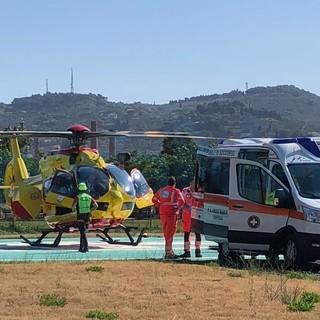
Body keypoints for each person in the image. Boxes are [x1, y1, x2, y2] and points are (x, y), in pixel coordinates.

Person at [152, 176, 185, 259]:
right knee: (170, 232)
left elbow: (154, 199)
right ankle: (168, 252)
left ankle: (169, 251)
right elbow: (182, 201)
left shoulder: (161, 190)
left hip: (163, 213)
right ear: (174, 183)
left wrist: (159, 205)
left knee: (165, 231)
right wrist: (177, 208)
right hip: (172, 213)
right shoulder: (176, 191)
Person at [72, 182, 98, 253]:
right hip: (87, 216)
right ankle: (81, 247)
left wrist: (74, 212)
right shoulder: (89, 197)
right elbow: (96, 205)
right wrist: (90, 210)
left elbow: (73, 206)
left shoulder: (78, 197)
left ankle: (85, 247)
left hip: (80, 215)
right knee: (83, 232)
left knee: (82, 232)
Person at [180, 179, 202, 258]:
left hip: (196, 215)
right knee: (186, 233)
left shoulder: (200, 192)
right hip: (187, 216)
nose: (195, 185)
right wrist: (185, 206)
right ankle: (187, 251)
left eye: (196, 183)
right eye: (193, 183)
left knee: (198, 233)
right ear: (191, 183)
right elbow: (181, 201)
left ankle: (198, 250)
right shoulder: (185, 191)